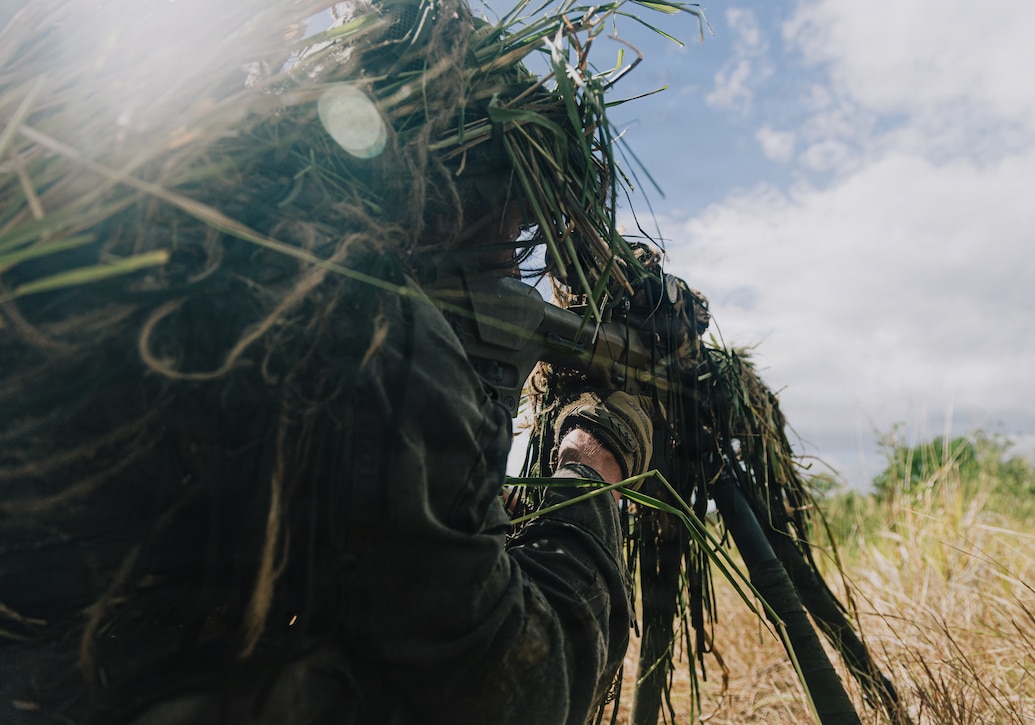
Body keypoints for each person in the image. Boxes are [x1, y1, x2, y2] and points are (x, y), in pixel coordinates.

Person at [0, 1, 655, 723]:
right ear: (437, 211)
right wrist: (592, 466)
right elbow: (517, 691)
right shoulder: (355, 332)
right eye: (502, 244)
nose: (507, 271)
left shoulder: (110, 237)